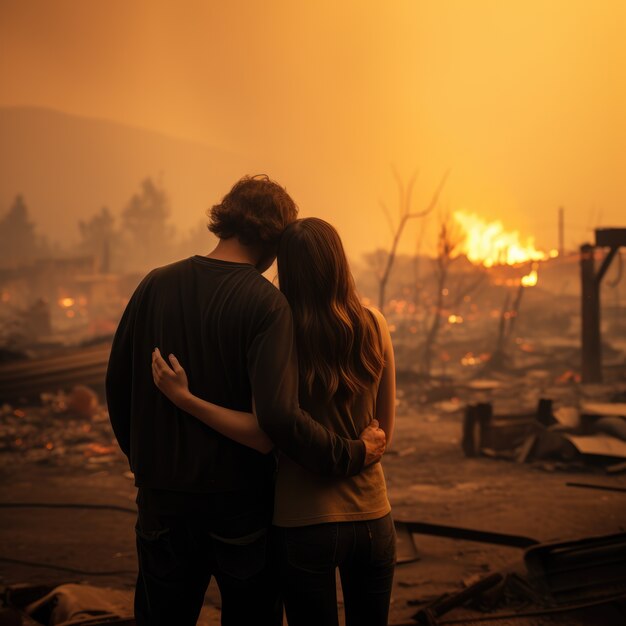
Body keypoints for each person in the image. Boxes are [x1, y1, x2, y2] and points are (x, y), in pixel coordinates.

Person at [105, 177, 386, 626]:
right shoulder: (267, 304)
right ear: (275, 238)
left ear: (225, 221)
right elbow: (276, 419)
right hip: (240, 506)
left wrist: (149, 462)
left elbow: (118, 388)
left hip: (162, 503)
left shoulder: (153, 285)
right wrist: (350, 453)